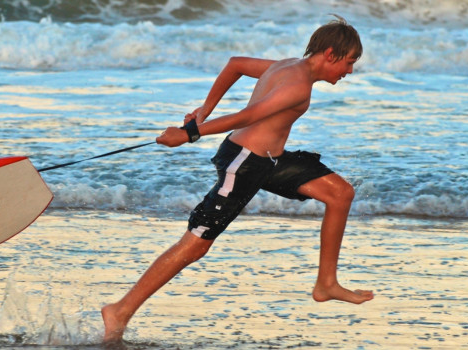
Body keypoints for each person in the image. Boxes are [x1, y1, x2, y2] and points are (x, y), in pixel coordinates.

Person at [101, 17, 373, 344]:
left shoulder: (288, 67)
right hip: (244, 163)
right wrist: (189, 133)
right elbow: (250, 115)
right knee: (195, 245)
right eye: (349, 62)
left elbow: (236, 65)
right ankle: (120, 310)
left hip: (269, 160)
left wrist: (204, 109)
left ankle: (326, 284)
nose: (349, 71)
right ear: (330, 54)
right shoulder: (296, 84)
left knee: (340, 193)